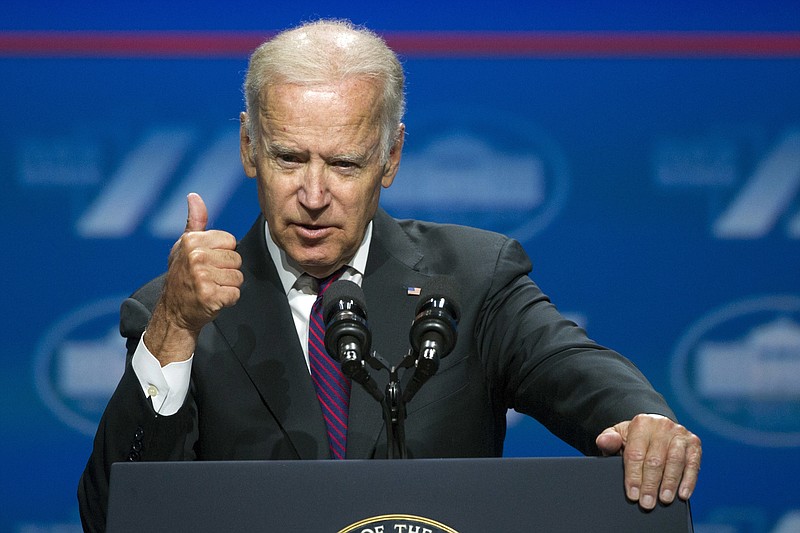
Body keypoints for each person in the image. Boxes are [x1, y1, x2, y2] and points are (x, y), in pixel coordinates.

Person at [78, 19, 701, 532]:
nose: (314, 194)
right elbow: (113, 512)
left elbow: (573, 369)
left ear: (391, 158)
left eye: (345, 164)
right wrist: (172, 333)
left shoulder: (473, 278)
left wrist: (643, 419)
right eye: (290, 158)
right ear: (248, 147)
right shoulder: (176, 312)